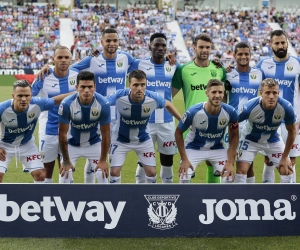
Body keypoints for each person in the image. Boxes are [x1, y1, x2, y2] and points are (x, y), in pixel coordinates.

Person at [107, 70, 181, 184]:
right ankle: (116, 199)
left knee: (151, 173)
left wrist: (182, 121)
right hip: (120, 139)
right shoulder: (119, 95)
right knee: (114, 172)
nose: (139, 88)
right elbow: (103, 103)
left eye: (143, 85)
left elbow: (168, 104)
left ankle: (147, 199)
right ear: (129, 85)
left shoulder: (153, 97)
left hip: (143, 140)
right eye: (136, 85)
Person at [172, 33, 226, 183]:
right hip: (191, 127)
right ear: (194, 47)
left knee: (215, 168)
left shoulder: (219, 69)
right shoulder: (183, 70)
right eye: (201, 47)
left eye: (208, 47)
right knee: (186, 171)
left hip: (216, 127)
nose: (204, 50)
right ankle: (185, 204)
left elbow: (225, 98)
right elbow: (169, 96)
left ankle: (212, 202)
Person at [128, 33, 179, 183]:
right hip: (145, 121)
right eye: (156, 44)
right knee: (143, 161)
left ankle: (167, 191)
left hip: (167, 121)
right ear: (150, 46)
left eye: (163, 45)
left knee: (167, 160)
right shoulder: (138, 64)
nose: (160, 48)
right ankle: (139, 191)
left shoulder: (174, 65)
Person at [0, 80, 70, 183]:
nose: (24, 99)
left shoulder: (37, 104)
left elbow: (55, 101)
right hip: (4, 146)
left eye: (27, 95)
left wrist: (77, 93)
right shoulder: (2, 108)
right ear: (13, 96)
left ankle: (37, 198)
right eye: (20, 96)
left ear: (31, 96)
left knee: (41, 176)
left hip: (27, 145)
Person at [256, 30, 300, 183]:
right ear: (271, 45)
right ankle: (267, 194)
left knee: (290, 161)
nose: (280, 46)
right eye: (277, 43)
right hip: (269, 122)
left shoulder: (297, 63)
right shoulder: (263, 64)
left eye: (283, 42)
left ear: (287, 43)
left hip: (292, 121)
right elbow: (250, 83)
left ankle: (289, 198)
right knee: (268, 160)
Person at [175, 79, 238, 183]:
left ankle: (219, 199)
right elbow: (178, 132)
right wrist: (184, 159)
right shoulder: (193, 111)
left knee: (229, 178)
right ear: (207, 93)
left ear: (224, 94)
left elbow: (235, 136)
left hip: (217, 148)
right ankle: (187, 199)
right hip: (193, 148)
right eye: (213, 92)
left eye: (220, 92)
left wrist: (230, 162)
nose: (217, 95)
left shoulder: (230, 112)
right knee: (184, 177)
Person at [31, 46, 79, 183]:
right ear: (54, 59)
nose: (63, 60)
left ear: (71, 59)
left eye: (66, 57)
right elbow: (29, 98)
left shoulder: (76, 75)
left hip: (69, 129)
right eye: (59, 57)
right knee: (46, 172)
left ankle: (64, 201)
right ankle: (46, 202)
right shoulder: (43, 77)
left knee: (67, 172)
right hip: (48, 129)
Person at [236, 78, 296, 183]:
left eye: (274, 93)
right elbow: (232, 123)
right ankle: (246, 197)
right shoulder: (249, 107)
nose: (271, 97)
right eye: (267, 93)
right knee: (241, 171)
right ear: (261, 93)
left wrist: (285, 156)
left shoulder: (286, 107)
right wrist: (232, 148)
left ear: (278, 93)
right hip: (250, 140)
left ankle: (284, 198)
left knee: (287, 170)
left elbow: (292, 131)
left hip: (273, 140)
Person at [58, 71, 111, 183]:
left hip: (94, 143)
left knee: (103, 177)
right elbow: (62, 134)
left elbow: (106, 134)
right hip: (72, 145)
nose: (86, 90)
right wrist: (66, 160)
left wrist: (102, 160)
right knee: (64, 178)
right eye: (83, 87)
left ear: (95, 87)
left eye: (90, 87)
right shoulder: (67, 104)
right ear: (77, 87)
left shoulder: (103, 104)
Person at [225, 42, 265, 183]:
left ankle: (249, 195)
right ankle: (227, 195)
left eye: (246, 54)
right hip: (231, 125)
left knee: (248, 164)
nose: (243, 56)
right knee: (228, 161)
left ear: (250, 55)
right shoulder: (227, 74)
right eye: (240, 54)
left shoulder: (258, 74)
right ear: (234, 55)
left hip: (251, 126)